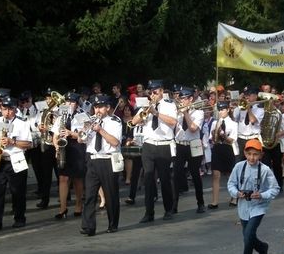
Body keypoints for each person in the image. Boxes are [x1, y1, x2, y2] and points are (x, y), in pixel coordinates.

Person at [227, 139, 280, 254]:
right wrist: (236, 193)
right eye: (249, 153)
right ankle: (262, 247)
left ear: (261, 155)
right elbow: (231, 184)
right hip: (243, 206)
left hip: (259, 206)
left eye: (255, 154)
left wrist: (262, 195)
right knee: (248, 237)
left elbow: (275, 188)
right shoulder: (239, 167)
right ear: (245, 153)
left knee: (249, 234)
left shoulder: (265, 170)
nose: (252, 157)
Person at [130, 80, 177, 223]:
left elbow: (173, 122)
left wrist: (156, 113)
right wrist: (145, 111)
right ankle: (148, 212)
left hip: (164, 145)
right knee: (148, 180)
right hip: (149, 145)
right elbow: (133, 122)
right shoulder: (146, 105)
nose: (152, 95)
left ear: (162, 91)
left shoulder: (169, 105)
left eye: (155, 92)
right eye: (150, 92)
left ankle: (168, 209)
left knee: (164, 179)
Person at [79, 95, 122, 236]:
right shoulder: (89, 121)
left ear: (108, 108)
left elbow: (115, 142)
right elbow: (81, 139)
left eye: (100, 107)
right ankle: (88, 227)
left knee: (111, 194)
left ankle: (113, 223)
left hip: (107, 160)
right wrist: (84, 131)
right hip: (92, 160)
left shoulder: (115, 121)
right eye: (95, 107)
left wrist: (100, 130)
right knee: (90, 195)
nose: (97, 110)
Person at [0, 96, 31, 230]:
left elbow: (28, 144)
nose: (7, 112)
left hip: (16, 160)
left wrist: (13, 142)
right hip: (1, 160)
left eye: (10, 109)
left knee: (17, 191)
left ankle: (19, 218)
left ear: (15, 109)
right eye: (4, 109)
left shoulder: (22, 123)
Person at [51, 92, 86, 219]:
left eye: (71, 102)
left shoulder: (83, 115)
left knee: (77, 179)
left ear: (77, 104)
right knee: (63, 178)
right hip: (64, 148)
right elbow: (54, 135)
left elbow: (85, 136)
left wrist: (71, 133)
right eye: (67, 102)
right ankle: (63, 208)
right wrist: (56, 146)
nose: (68, 104)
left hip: (77, 148)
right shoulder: (61, 116)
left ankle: (78, 205)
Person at [172, 87, 205, 214]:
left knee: (195, 174)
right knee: (176, 175)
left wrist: (185, 113)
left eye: (184, 98)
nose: (182, 101)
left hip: (193, 145)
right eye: (181, 98)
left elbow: (192, 128)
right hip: (180, 145)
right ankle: (174, 205)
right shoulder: (177, 111)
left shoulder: (199, 112)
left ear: (191, 99)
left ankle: (200, 203)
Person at [208, 101, 238, 209]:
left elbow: (232, 140)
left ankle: (234, 197)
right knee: (216, 175)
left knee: (229, 175)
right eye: (219, 110)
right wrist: (213, 135)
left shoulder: (233, 124)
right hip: (217, 148)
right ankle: (214, 201)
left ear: (228, 110)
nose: (221, 112)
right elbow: (211, 138)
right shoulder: (215, 122)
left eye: (223, 109)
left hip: (227, 148)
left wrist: (223, 135)